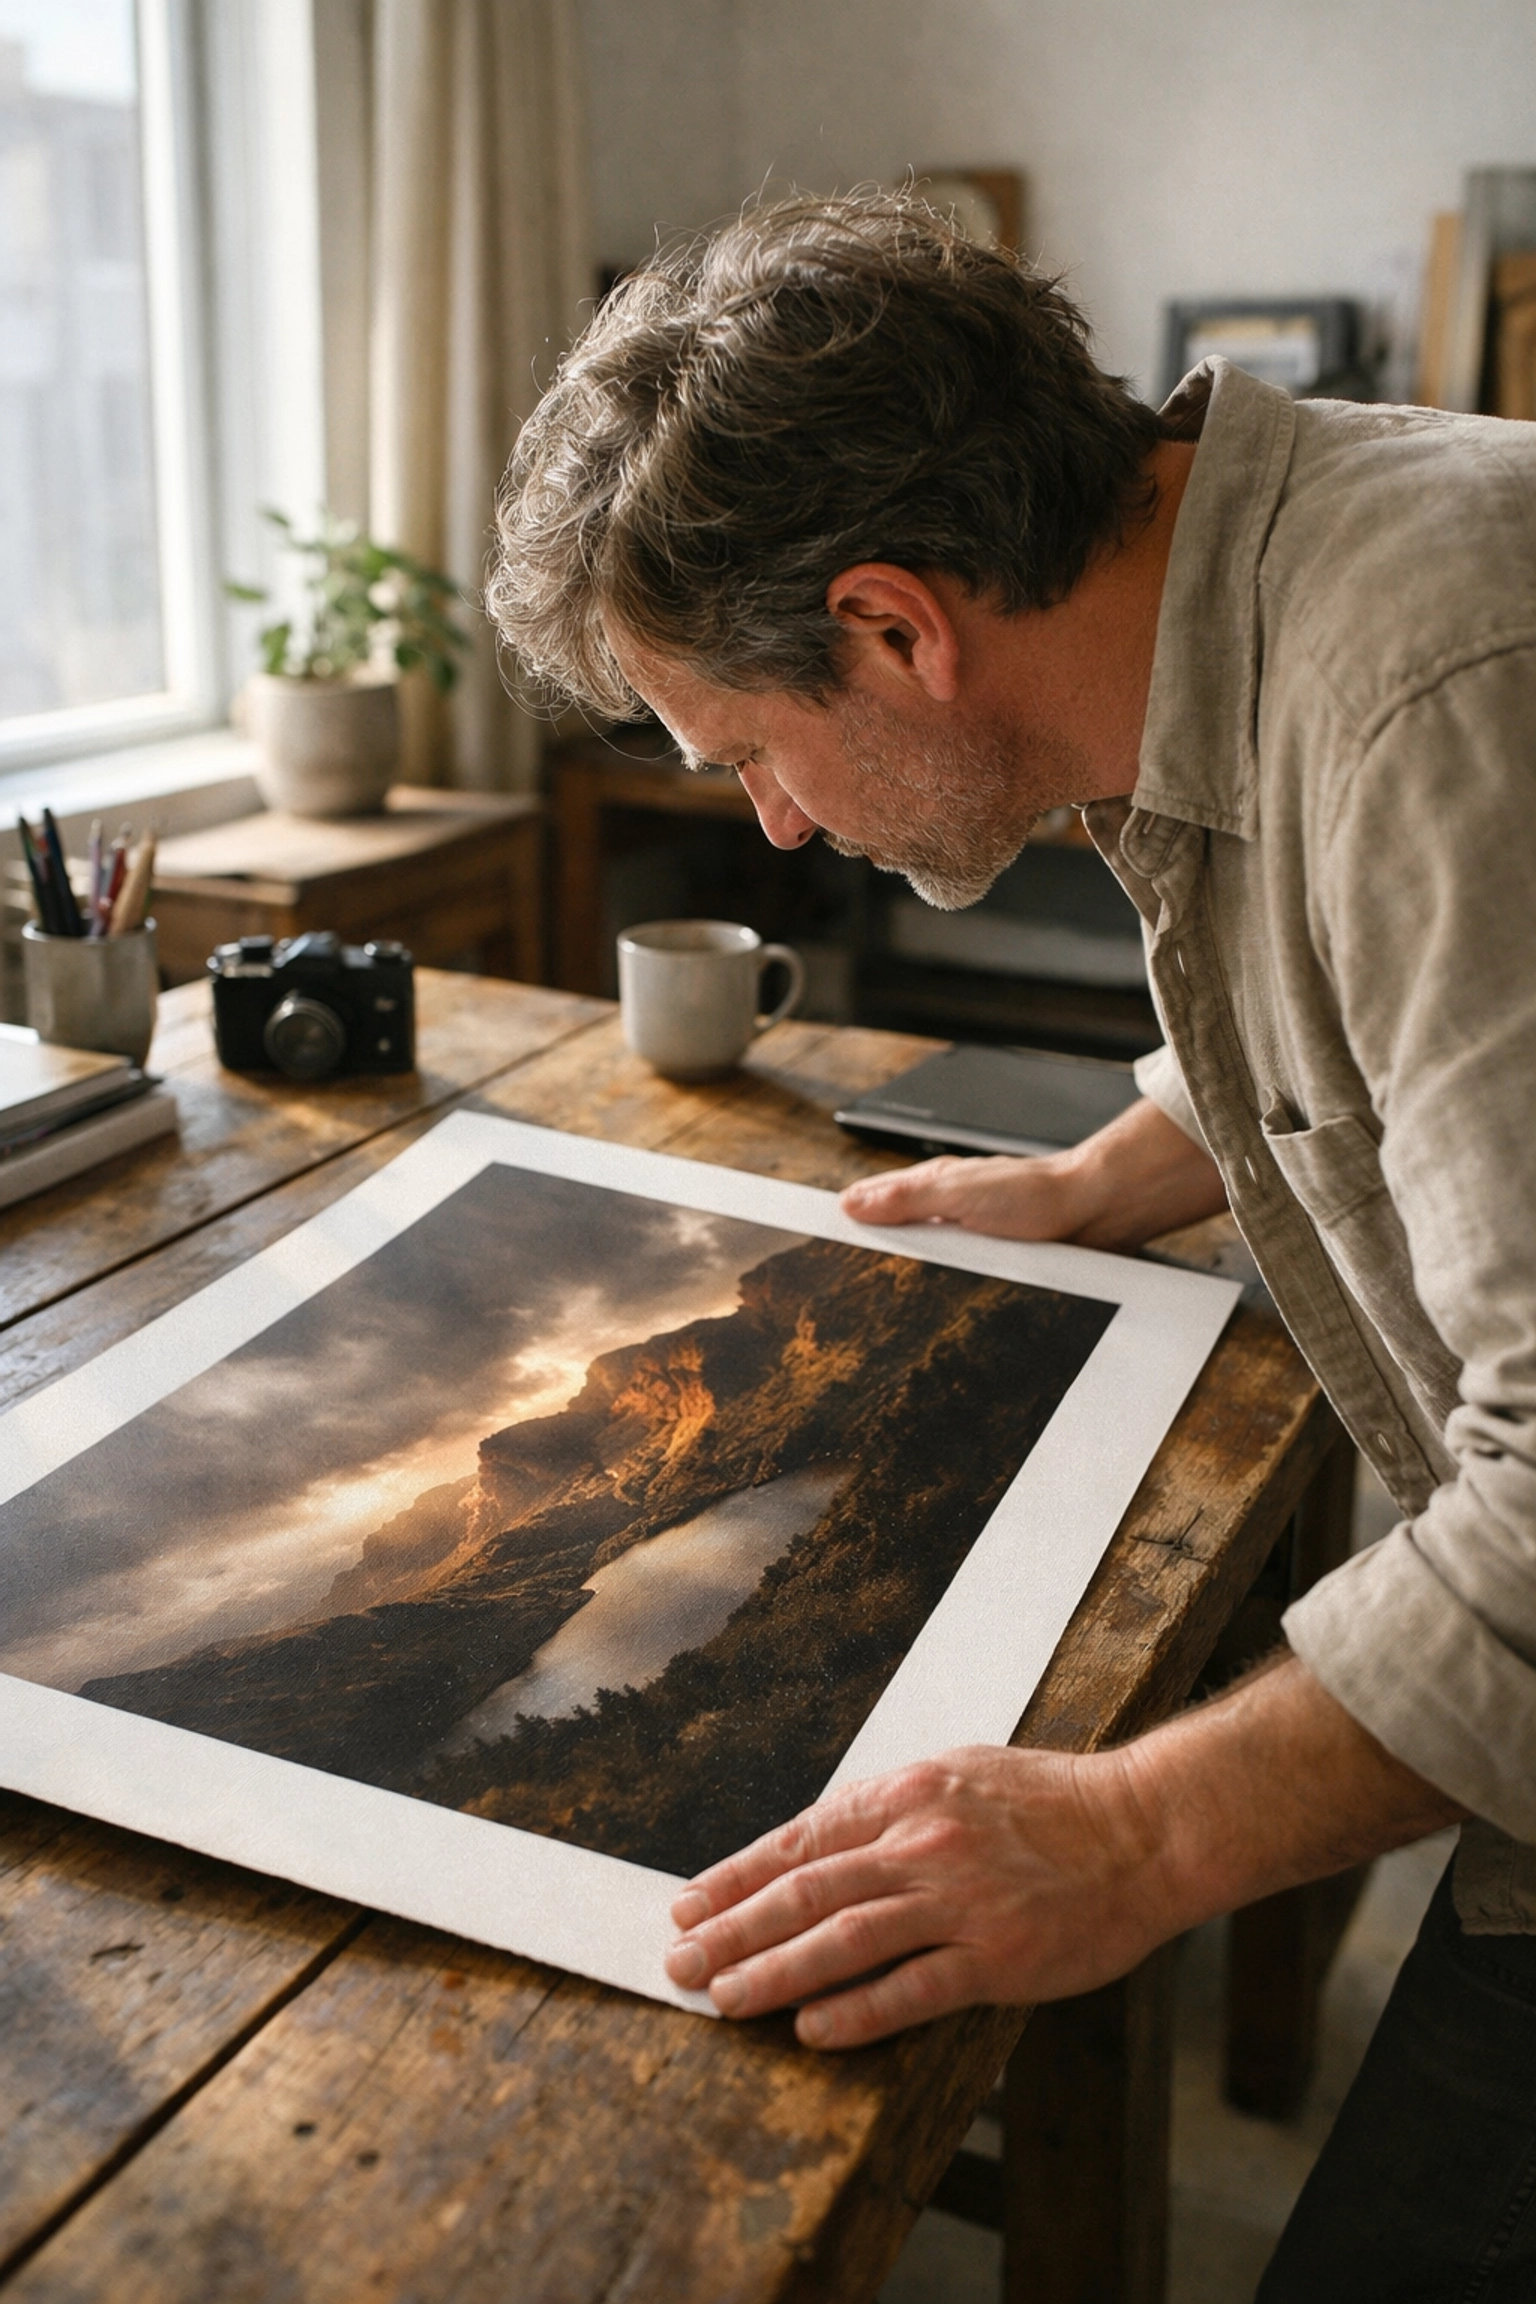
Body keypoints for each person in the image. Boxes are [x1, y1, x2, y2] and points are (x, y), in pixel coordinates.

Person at [488, 192, 1536, 2296]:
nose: (777, 824)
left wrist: (1133, 1833)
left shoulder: (1439, 694)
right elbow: (1369, 998)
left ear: (893, 629)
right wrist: (1097, 1180)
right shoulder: (1266, 568)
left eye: (750, 753)